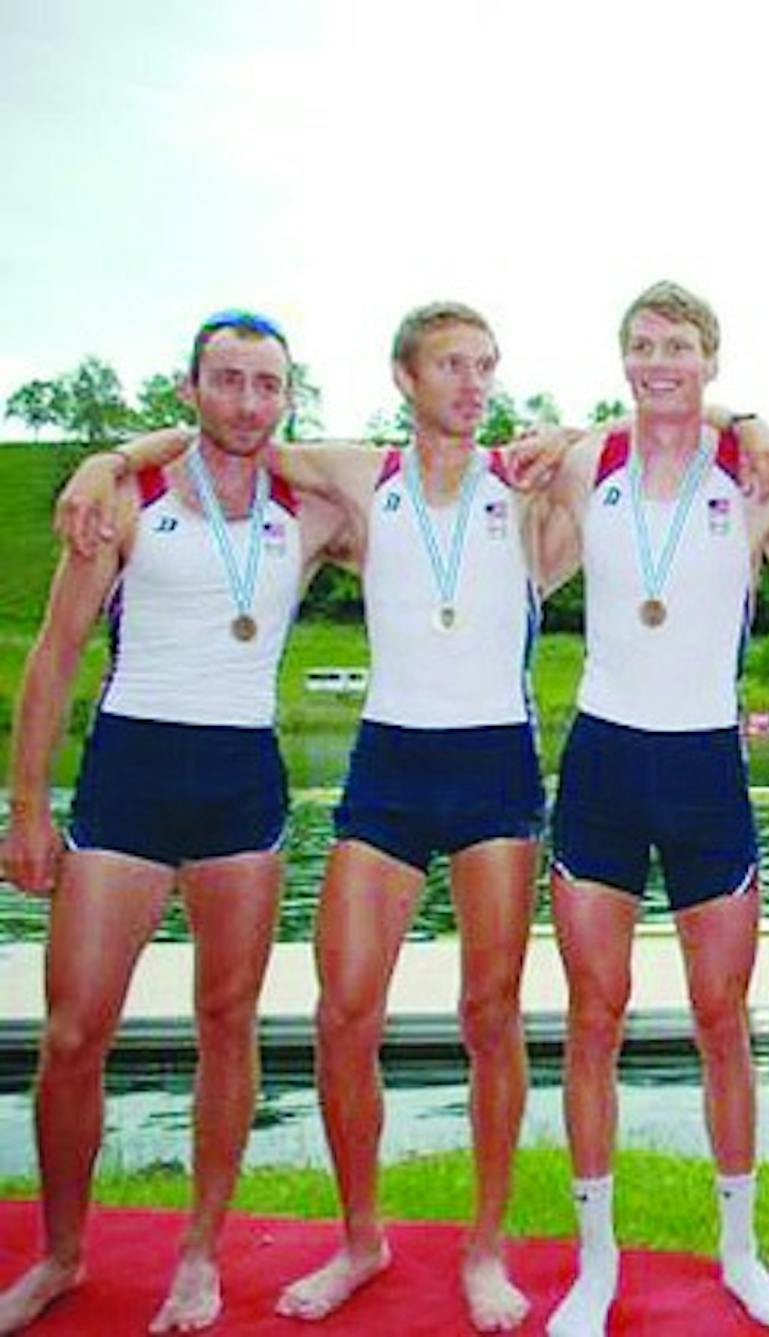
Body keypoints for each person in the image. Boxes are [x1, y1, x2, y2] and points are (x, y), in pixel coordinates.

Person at [55, 301, 553, 1331]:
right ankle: (362, 1236)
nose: (474, 382)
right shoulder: (360, 477)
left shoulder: (531, 480)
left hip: (495, 759)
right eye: (452, 364)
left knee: (489, 1015)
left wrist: (755, 426)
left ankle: (487, 1245)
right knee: (341, 1015)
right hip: (390, 761)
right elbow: (225, 434)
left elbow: (661, 428)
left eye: (486, 365)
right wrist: (103, 462)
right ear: (405, 378)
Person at [0, 312, 347, 1334]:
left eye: (266, 384)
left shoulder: (312, 509)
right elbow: (57, 653)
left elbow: (410, 469)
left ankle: (200, 1251)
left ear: (288, 398)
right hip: (128, 778)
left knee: (226, 1024)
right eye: (227, 380)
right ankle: (61, 1253)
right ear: (190, 388)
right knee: (72, 1033)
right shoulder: (127, 499)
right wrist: (27, 804)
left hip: (242, 780)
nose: (247, 402)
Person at [531, 280, 769, 1336]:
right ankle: (594, 1261)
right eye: (644, 345)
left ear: (711, 360)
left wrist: (762, 433)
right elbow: (510, 479)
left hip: (706, 764)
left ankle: (739, 1249)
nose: (661, 363)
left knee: (720, 1017)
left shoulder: (749, 469)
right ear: (623, 359)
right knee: (592, 1013)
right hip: (605, 759)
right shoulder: (583, 463)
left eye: (681, 346)